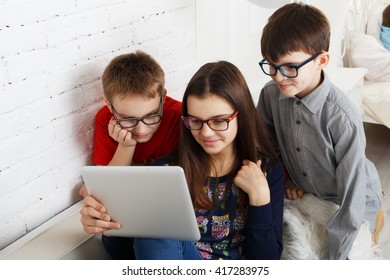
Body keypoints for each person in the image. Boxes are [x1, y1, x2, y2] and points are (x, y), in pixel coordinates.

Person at [256, 3, 383, 260]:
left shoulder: (341, 117)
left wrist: (336, 259)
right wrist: (288, 177)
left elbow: (352, 194)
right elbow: (268, 147)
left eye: (290, 67)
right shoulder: (270, 96)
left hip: (352, 196)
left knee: (349, 255)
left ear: (322, 60)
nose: (279, 77)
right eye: (271, 65)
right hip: (309, 194)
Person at [133, 61, 285, 260]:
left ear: (242, 115)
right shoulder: (164, 172)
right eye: (195, 121)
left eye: (219, 121)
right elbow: (128, 253)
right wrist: (109, 226)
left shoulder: (267, 172)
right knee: (155, 227)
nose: (205, 132)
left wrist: (260, 198)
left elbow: (266, 263)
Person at [79, 50, 182, 259]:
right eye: (127, 119)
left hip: (165, 219)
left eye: (152, 115)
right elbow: (106, 191)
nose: (142, 130)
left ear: (162, 98)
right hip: (123, 227)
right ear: (109, 106)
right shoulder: (104, 120)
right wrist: (126, 146)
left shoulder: (178, 116)